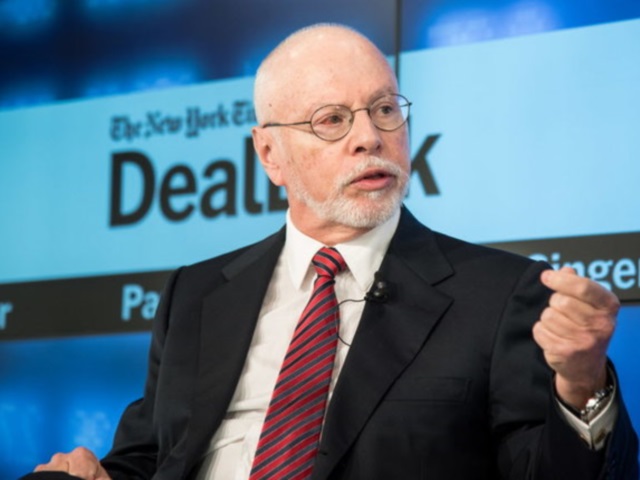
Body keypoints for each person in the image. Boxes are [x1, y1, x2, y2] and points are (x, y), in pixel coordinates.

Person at [24, 24, 638, 480]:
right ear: (270, 155)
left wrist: (581, 385)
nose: (370, 137)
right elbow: (149, 458)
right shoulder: (196, 293)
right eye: (331, 120)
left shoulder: (502, 294)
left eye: (384, 109)